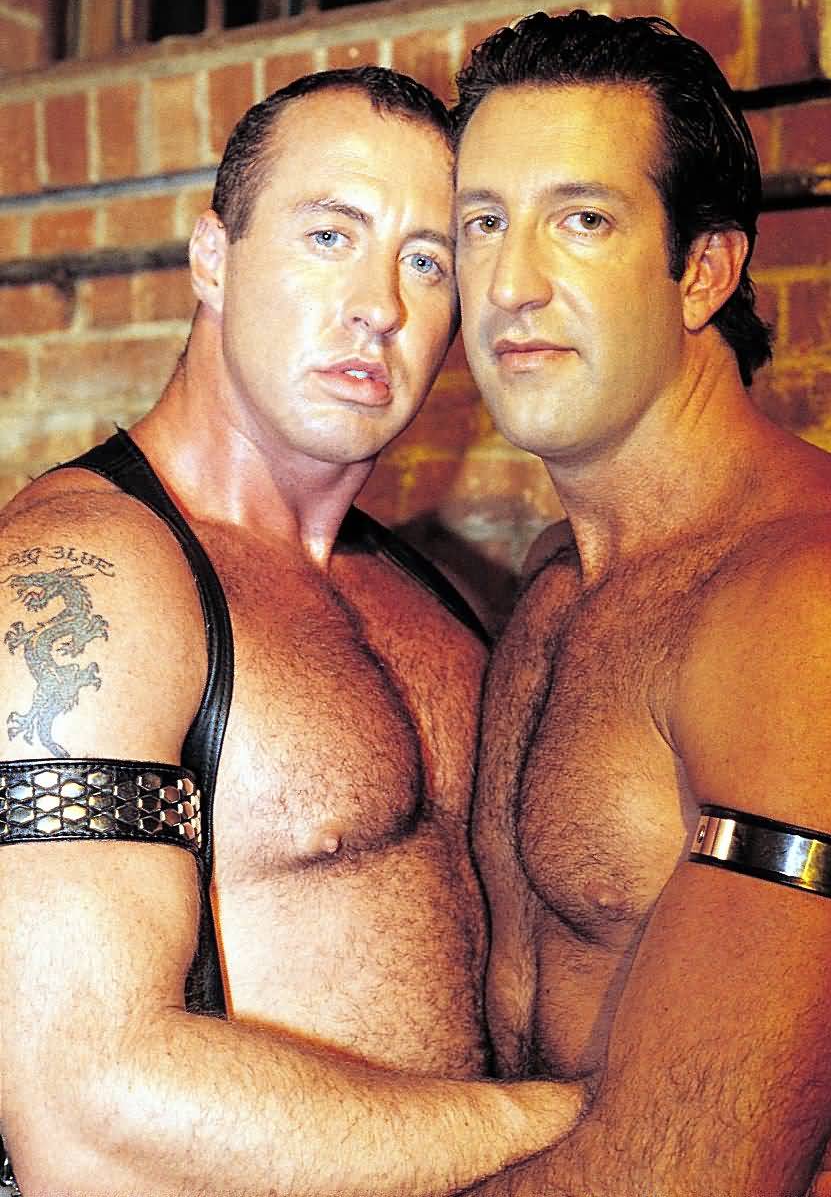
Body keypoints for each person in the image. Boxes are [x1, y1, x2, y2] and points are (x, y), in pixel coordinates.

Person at [0, 67, 584, 1197]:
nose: (382, 305)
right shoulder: (83, 582)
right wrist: (578, 1121)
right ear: (212, 259)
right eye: (330, 236)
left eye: (427, 261)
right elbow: (82, 1111)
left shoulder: (427, 596)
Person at [451, 9, 831, 1196]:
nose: (510, 284)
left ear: (704, 272)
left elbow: (688, 1173)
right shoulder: (556, 579)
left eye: (581, 220)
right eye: (482, 223)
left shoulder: (807, 597)